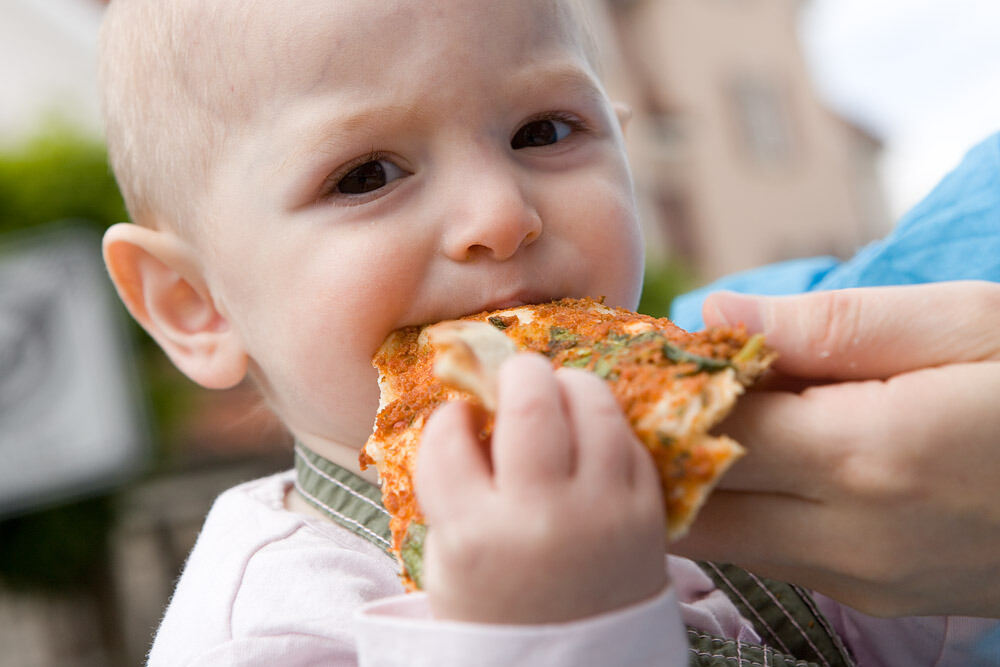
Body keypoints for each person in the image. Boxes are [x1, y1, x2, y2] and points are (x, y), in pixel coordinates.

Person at [94, 0, 998, 665]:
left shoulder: (722, 441)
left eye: (544, 129)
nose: (501, 213)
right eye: (366, 173)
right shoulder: (274, 627)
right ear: (194, 303)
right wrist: (548, 633)